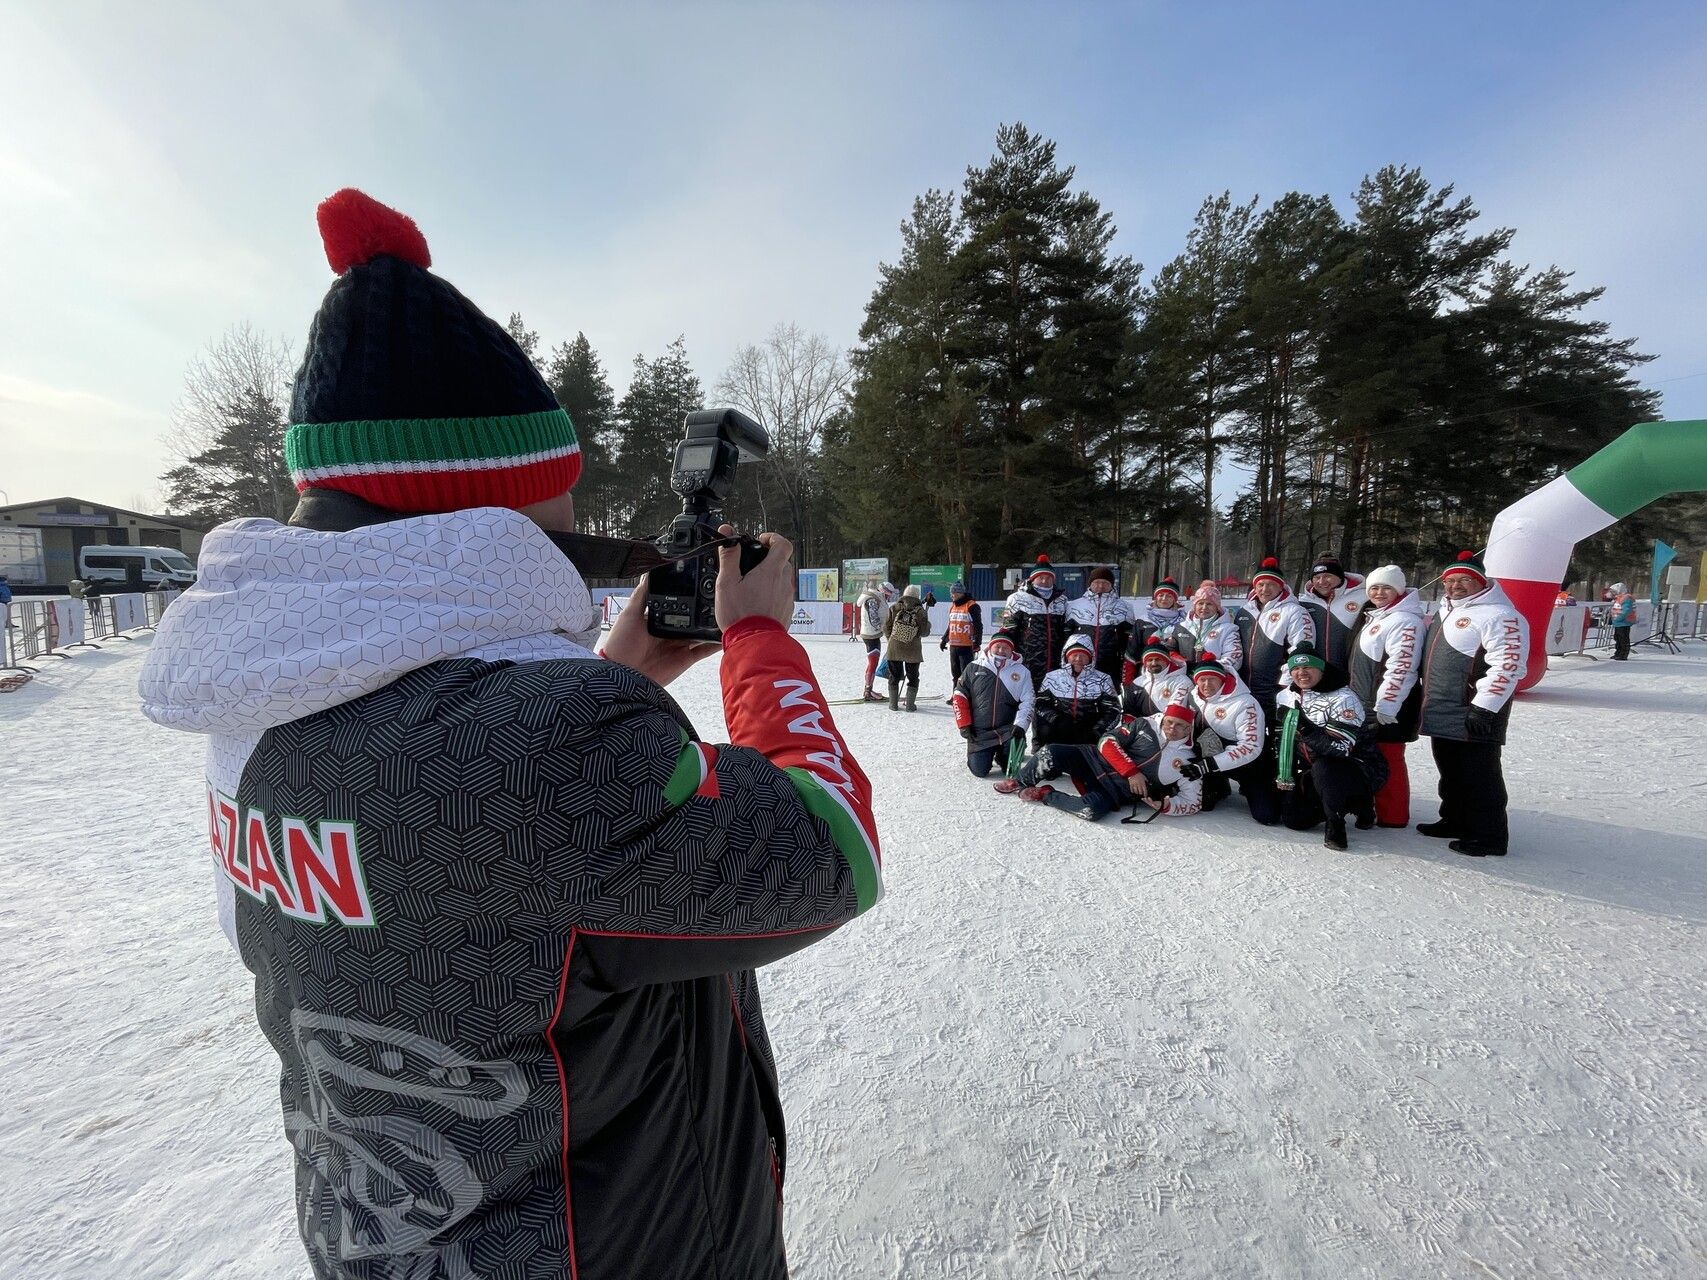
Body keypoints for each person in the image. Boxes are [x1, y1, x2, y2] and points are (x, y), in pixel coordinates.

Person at [137, 189, 881, 1280]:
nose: (577, 524)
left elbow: (467, 863)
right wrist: (760, 633)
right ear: (493, 500)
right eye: (560, 493)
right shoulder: (549, 742)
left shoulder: (266, 698)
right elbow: (829, 851)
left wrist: (608, 678)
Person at [1418, 549, 1528, 857]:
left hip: (1474, 710)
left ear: (1482, 582)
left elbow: (1508, 664)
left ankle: (1489, 836)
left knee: (1481, 776)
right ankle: (1454, 819)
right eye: (1450, 581)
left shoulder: (1501, 615)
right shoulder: (1447, 611)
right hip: (1442, 708)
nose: (1456, 587)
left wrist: (1485, 706)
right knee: (1450, 771)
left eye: (1465, 580)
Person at [995, 702, 1202, 820]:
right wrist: (1131, 772)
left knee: (1091, 811)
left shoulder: (1188, 760)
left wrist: (1164, 804)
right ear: (1163, 719)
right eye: (1169, 722)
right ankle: (1020, 781)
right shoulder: (1144, 725)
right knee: (1050, 751)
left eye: (1179, 726)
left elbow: (1193, 802)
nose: (1172, 729)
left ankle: (1046, 794)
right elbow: (1107, 741)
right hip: (1093, 760)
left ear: (1188, 729)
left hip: (1114, 790)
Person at [1274, 646, 1386, 850]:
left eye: (1308, 667)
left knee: (1325, 766)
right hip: (1314, 769)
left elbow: (1341, 749)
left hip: (1356, 768)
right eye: (1296, 669)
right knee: (1295, 820)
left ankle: (1338, 823)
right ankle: (1330, 802)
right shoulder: (1285, 697)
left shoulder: (1343, 698)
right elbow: (1283, 741)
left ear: (1321, 669)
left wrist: (1305, 727)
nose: (1302, 673)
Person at [1348, 565, 1424, 828]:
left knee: (1388, 758)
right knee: (1372, 756)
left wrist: (1387, 705)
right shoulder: (1380, 617)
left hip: (1389, 705)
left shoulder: (1405, 620)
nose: (1379, 593)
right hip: (1367, 701)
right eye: (1374, 588)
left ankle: (1394, 815)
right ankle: (1375, 808)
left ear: (1399, 590)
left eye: (1386, 588)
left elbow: (1402, 667)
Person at [1178, 654, 1278, 825]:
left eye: (1212, 679)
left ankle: (1256, 788)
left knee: (1267, 816)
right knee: (1204, 804)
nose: (1206, 685)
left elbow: (1250, 747)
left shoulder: (1245, 702)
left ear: (1222, 680)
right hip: (1210, 757)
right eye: (1202, 680)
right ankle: (1218, 784)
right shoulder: (1193, 696)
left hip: (1248, 763)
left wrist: (1208, 765)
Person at [953, 626, 1034, 777]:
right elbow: (959, 695)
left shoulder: (1022, 671)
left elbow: (1028, 701)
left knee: (1011, 771)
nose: (1001, 651)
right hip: (980, 732)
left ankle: (1006, 753)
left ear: (1012, 651)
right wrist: (964, 724)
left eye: (1005, 648)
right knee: (979, 771)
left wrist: (1021, 725)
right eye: (998, 646)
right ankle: (985, 754)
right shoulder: (973, 667)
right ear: (990, 647)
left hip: (1007, 730)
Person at [1242, 556, 1314, 720]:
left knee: (1274, 734)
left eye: (1271, 584)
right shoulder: (1245, 611)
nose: (1265, 589)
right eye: (1260, 584)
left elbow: (1302, 650)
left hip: (1275, 688)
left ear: (1280, 587)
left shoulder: (1294, 611)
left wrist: (1287, 684)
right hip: (1245, 688)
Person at [1033, 633, 1120, 748]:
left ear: (1090, 658)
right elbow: (1040, 705)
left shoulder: (1103, 679)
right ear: (1066, 657)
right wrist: (1057, 720)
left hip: (1089, 733)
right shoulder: (1052, 677)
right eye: (1074, 655)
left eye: (1083, 655)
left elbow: (1113, 709)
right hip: (1059, 729)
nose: (1078, 659)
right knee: (1045, 731)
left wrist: (1098, 730)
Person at [1005, 555, 1069, 689]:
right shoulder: (1017, 599)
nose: (1045, 581)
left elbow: (1066, 632)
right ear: (1033, 579)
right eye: (1041, 578)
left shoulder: (1062, 601)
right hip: (1027, 661)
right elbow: (1008, 631)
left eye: (1048, 578)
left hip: (1055, 661)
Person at [1066, 566, 1133, 683]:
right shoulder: (1074, 606)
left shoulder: (1125, 607)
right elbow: (1065, 637)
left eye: (1105, 583)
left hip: (1111, 663)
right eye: (1097, 582)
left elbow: (1129, 639)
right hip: (1081, 663)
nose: (1101, 586)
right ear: (1090, 584)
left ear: (1111, 585)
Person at [1298, 555, 1366, 669]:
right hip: (1315, 672)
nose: (1321, 581)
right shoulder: (1303, 602)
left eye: (1327, 576)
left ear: (1340, 576)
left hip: (1352, 671)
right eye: (1317, 577)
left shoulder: (1364, 597)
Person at [1171, 580, 1244, 674]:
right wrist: (1181, 663)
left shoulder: (1228, 629)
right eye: (1200, 603)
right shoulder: (1181, 627)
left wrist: (1207, 670)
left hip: (1213, 680)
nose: (1204, 607)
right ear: (1194, 606)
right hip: (1185, 680)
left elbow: (1234, 659)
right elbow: (1169, 650)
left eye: (1209, 604)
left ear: (1217, 607)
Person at [882, 584, 931, 711]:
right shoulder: (920, 612)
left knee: (894, 676)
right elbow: (924, 632)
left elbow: (886, 627)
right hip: (913, 650)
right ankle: (910, 705)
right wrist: (927, 623)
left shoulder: (894, 608)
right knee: (913, 677)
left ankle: (893, 704)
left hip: (894, 648)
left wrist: (891, 639)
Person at [1122, 633, 1192, 718]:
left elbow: (1174, 714)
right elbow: (1129, 713)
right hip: (1140, 727)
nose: (1154, 663)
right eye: (1150, 660)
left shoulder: (1182, 681)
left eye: (1158, 659)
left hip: (1169, 727)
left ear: (1167, 660)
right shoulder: (1137, 683)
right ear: (1144, 663)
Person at [940, 580, 984, 699]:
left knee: (965, 673)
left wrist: (977, 642)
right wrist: (944, 640)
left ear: (960, 593)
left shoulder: (971, 606)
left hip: (966, 646)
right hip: (954, 646)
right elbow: (951, 625)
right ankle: (956, 695)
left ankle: (966, 696)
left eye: (953, 593)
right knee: (955, 674)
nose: (951, 595)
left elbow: (978, 626)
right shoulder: (953, 606)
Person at [855, 580, 897, 701]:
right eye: (888, 595)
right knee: (873, 663)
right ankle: (868, 691)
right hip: (870, 635)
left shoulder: (877, 597)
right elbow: (874, 619)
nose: (889, 597)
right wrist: (885, 629)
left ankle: (869, 689)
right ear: (884, 592)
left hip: (872, 634)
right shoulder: (873, 599)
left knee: (873, 662)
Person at [1608, 581, 1636, 659]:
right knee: (1617, 638)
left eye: (1614, 591)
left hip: (1624, 622)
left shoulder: (1626, 598)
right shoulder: (1619, 598)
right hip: (1618, 622)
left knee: (1623, 639)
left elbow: (1626, 610)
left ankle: (1623, 654)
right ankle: (1618, 652)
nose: (1612, 593)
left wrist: (1617, 618)